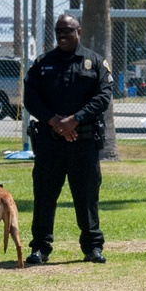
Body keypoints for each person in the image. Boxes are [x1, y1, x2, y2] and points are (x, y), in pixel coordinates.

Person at [24, 14, 114, 265]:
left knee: (86, 196)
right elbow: (30, 99)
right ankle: (40, 248)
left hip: (83, 142)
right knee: (44, 196)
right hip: (49, 143)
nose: (62, 34)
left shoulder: (94, 62)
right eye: (59, 30)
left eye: (68, 30)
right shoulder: (43, 63)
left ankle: (93, 248)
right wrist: (55, 121)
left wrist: (74, 120)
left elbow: (103, 96)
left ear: (79, 32)